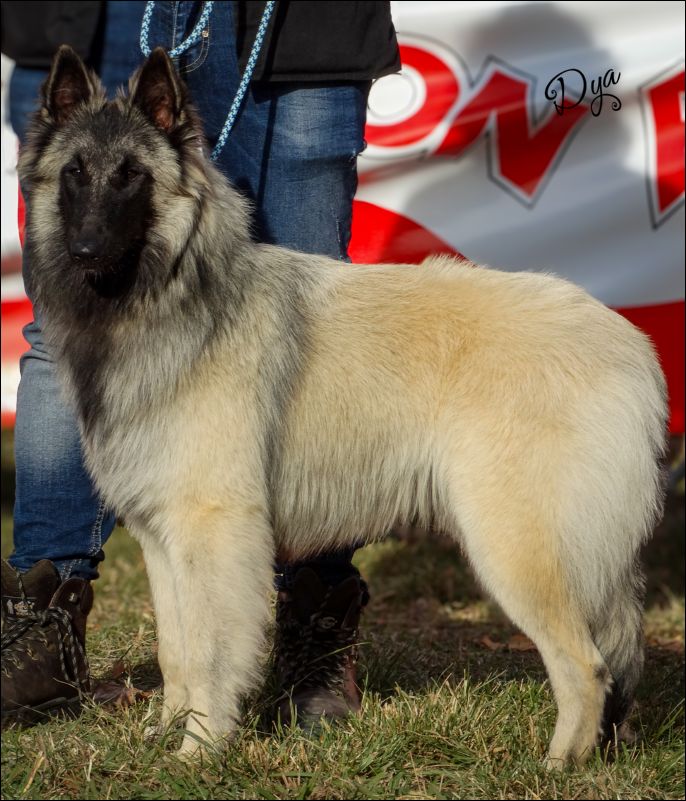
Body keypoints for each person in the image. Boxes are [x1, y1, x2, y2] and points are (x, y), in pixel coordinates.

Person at [1, 0, 400, 728]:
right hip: (104, 14)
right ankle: (44, 619)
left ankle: (311, 622)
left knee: (316, 322)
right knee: (66, 329)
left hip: (300, 28)